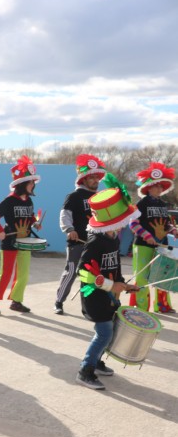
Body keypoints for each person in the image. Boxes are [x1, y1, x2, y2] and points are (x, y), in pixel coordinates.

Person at [76, 178, 141, 389]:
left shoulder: (114, 238)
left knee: (109, 330)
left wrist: (123, 284)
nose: (125, 223)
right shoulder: (95, 241)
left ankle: (95, 362)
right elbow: (82, 272)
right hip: (94, 296)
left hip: (109, 296)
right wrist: (110, 286)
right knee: (104, 332)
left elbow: (115, 268)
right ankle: (85, 370)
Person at [0, 155, 42, 315]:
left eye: (33, 182)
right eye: (31, 182)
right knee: (6, 273)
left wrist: (35, 222)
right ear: (22, 184)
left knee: (23, 274)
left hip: (25, 242)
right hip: (9, 242)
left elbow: (29, 217)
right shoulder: (9, 200)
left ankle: (16, 301)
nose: (33, 185)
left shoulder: (29, 201)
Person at [54, 154, 107, 314]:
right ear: (84, 179)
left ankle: (90, 306)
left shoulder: (100, 197)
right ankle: (58, 302)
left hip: (95, 243)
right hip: (77, 243)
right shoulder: (74, 196)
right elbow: (65, 215)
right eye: (92, 177)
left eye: (97, 177)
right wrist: (69, 230)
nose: (95, 180)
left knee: (93, 274)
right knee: (71, 272)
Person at [128, 162, 178, 313]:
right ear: (149, 187)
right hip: (143, 246)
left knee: (162, 276)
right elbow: (133, 223)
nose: (159, 189)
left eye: (161, 186)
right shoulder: (141, 204)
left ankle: (162, 306)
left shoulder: (163, 204)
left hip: (161, 246)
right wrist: (147, 236)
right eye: (156, 186)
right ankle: (141, 307)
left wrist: (173, 230)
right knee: (142, 277)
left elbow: (166, 223)